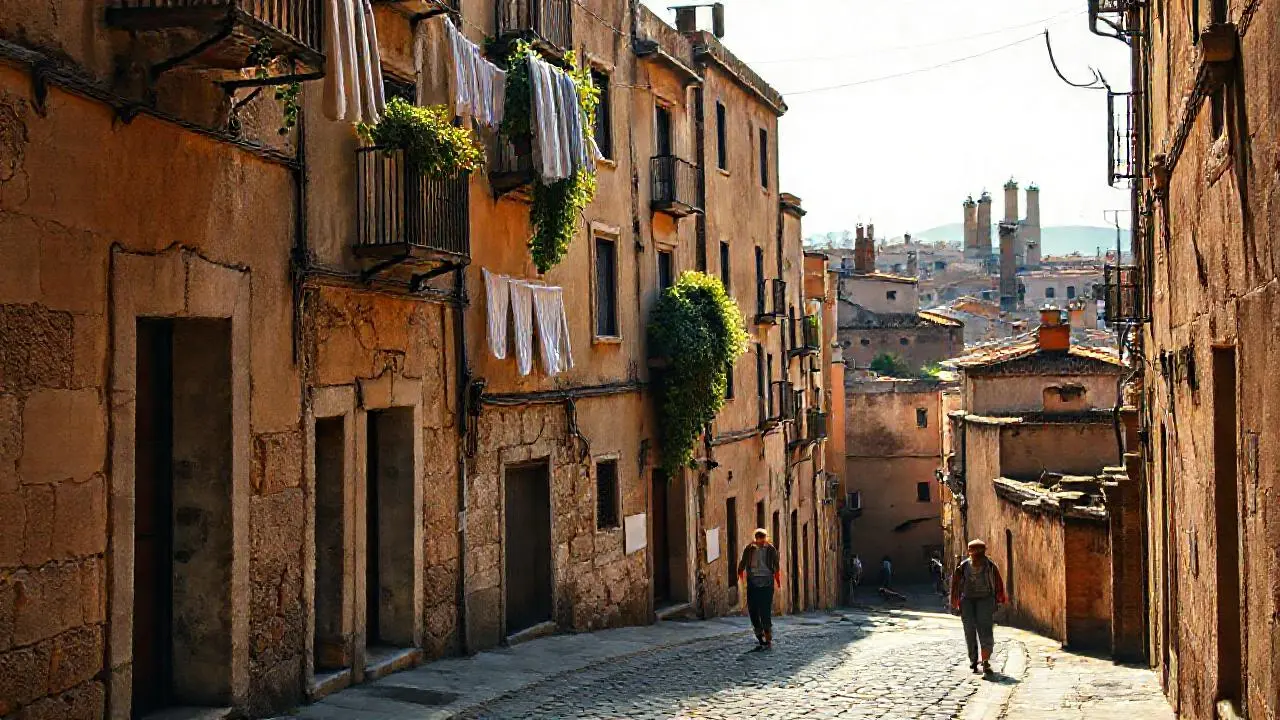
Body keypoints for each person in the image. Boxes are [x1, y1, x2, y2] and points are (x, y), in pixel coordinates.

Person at [949, 539, 1008, 674]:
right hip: (967, 601)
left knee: (985, 630)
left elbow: (998, 582)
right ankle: (973, 660)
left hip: (985, 600)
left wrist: (999, 598)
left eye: (979, 552)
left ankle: (985, 660)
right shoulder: (963, 566)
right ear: (969, 552)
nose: (976, 555)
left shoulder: (990, 566)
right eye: (974, 552)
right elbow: (956, 584)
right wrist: (955, 600)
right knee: (969, 631)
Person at [737, 529, 781, 648]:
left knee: (765, 609)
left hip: (767, 583)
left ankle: (767, 632)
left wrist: (777, 580)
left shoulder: (771, 549)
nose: (761, 542)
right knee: (753, 609)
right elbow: (743, 562)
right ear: (755, 539)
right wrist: (740, 573)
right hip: (753, 583)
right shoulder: (749, 549)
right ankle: (759, 633)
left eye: (763, 540)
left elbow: (776, 565)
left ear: (766, 538)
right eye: (759, 540)